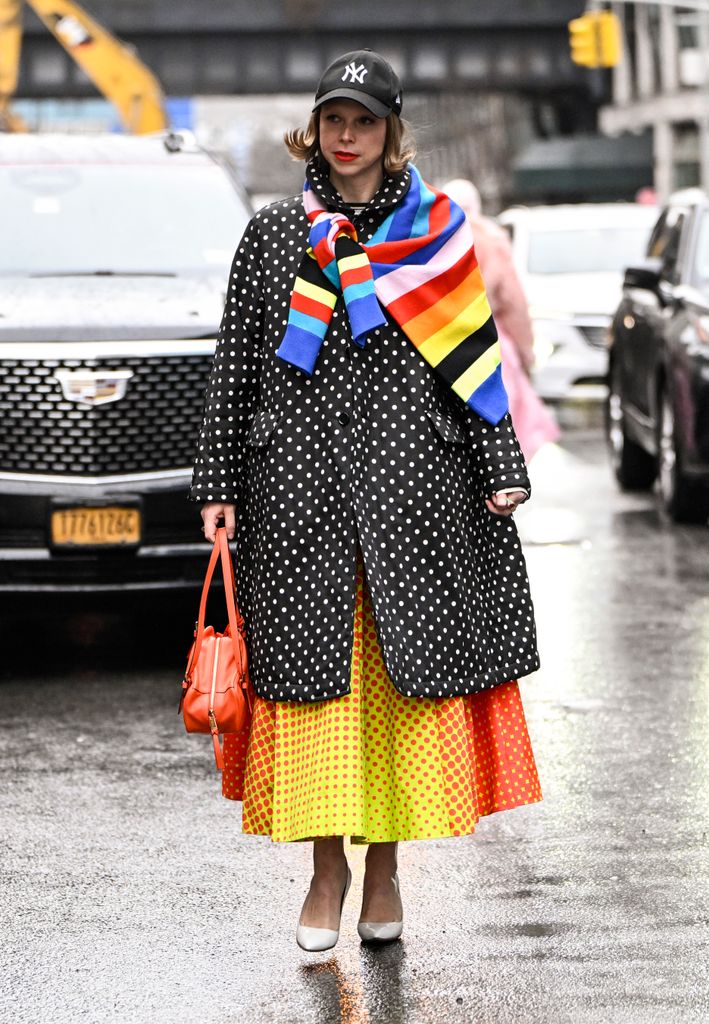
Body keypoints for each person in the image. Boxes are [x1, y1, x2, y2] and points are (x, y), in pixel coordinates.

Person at [189, 48, 543, 952]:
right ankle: (324, 871)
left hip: (412, 490)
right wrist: (218, 483)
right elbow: (235, 368)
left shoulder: (437, 231)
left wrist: (498, 461)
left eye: (365, 123)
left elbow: (474, 361)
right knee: (313, 690)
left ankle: (382, 868)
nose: (346, 139)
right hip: (295, 493)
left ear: (392, 135)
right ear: (315, 129)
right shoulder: (271, 236)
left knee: (396, 685)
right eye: (333, 121)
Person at [442, 178, 559, 462]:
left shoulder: (428, 239)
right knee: (503, 426)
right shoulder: (491, 240)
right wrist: (526, 353)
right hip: (490, 344)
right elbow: (513, 303)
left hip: (440, 344)